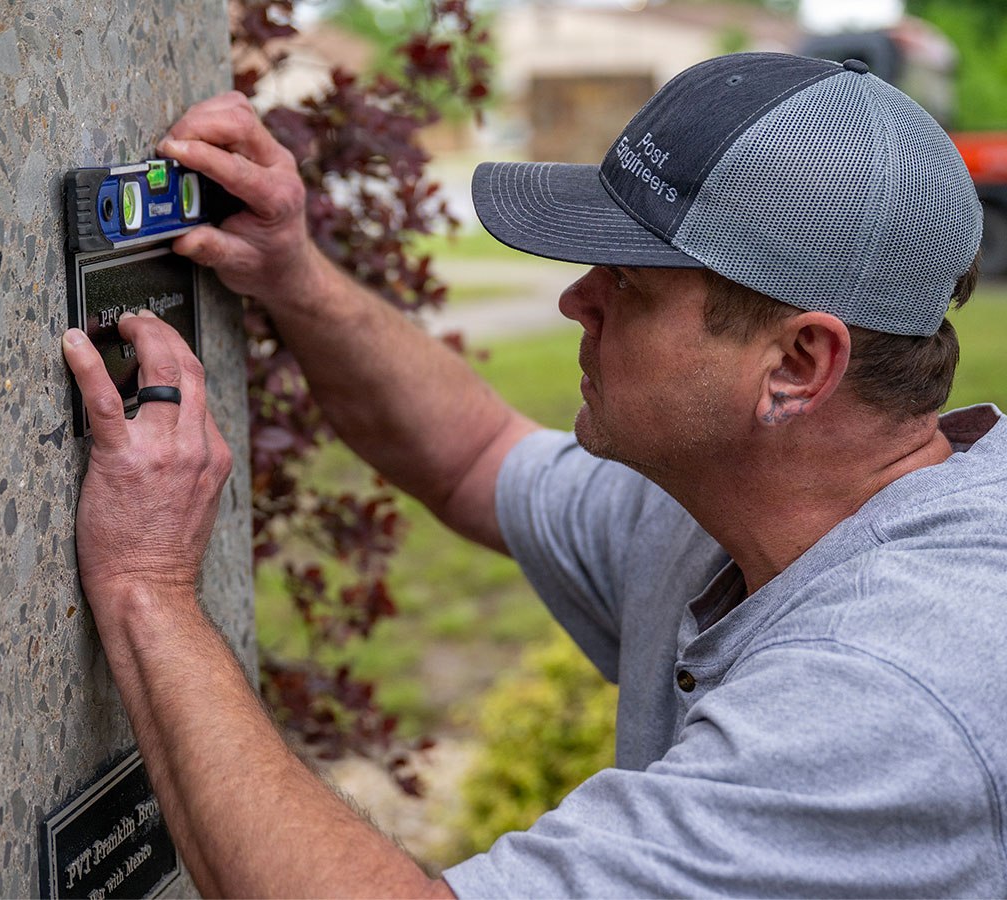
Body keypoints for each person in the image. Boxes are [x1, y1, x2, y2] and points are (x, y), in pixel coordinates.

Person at [61, 52, 1007, 897]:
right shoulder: (739, 505)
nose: (575, 297)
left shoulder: (884, 702)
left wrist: (148, 586)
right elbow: (478, 457)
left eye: (630, 282)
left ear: (798, 365)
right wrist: (290, 272)